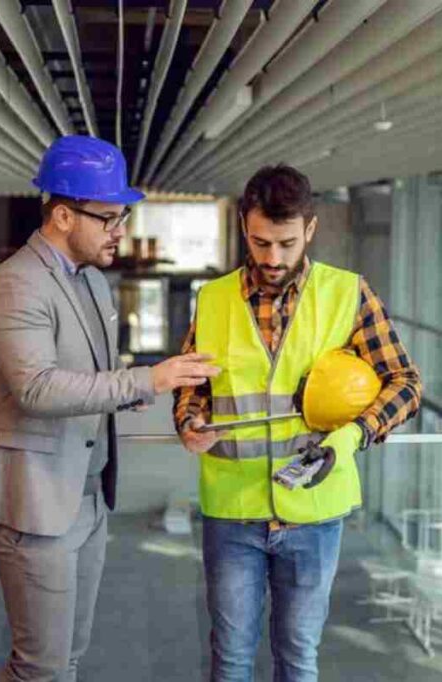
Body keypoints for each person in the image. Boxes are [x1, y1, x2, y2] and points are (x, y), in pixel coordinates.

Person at [0, 135, 220, 682]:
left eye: (122, 217)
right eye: (107, 218)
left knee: (69, 660)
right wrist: (147, 379)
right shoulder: (15, 284)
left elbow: (93, 382)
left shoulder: (94, 285)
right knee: (41, 668)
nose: (119, 231)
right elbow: (37, 389)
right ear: (62, 214)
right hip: (35, 504)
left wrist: (134, 391)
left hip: (86, 500)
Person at [173, 164, 423, 681]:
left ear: (309, 229)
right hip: (232, 509)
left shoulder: (348, 294)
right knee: (231, 659)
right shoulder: (213, 299)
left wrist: (352, 436)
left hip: (314, 511)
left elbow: (405, 383)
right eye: (261, 242)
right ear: (245, 225)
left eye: (286, 243)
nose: (272, 258)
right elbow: (191, 384)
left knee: (298, 658)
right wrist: (189, 419)